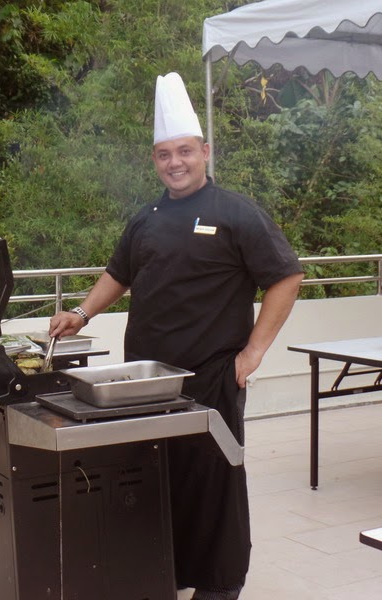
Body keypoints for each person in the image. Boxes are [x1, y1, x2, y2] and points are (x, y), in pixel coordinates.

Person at [49, 72, 304, 600]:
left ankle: (220, 583)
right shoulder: (146, 218)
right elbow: (118, 274)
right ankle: (172, 570)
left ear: (205, 152)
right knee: (157, 478)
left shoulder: (236, 212)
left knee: (213, 482)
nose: (175, 163)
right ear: (154, 160)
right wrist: (81, 312)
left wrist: (253, 352)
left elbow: (286, 276)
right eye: (165, 154)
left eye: (185, 151)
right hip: (145, 381)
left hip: (211, 377)